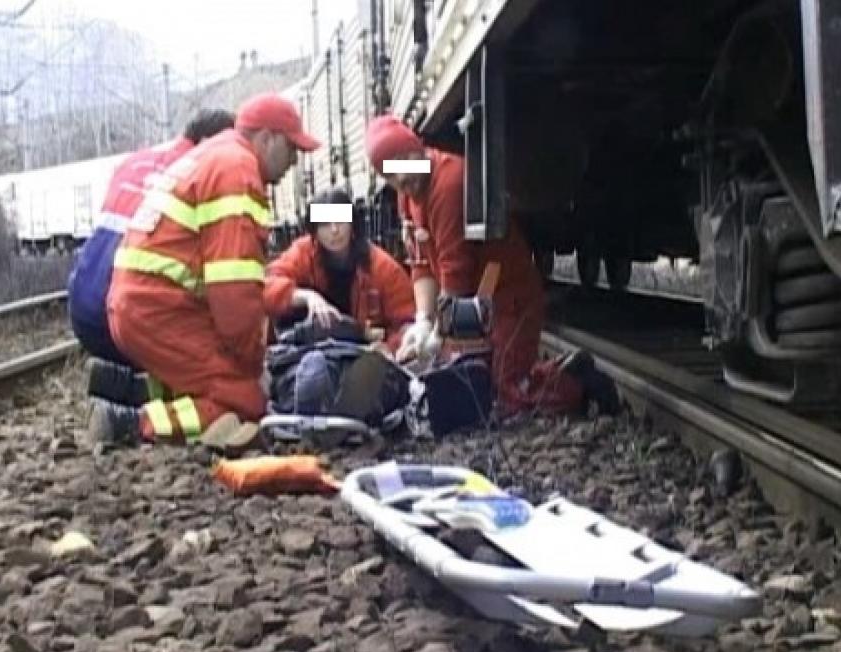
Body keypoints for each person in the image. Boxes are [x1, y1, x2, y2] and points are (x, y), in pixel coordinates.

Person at [88, 93, 320, 449]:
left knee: (206, 379)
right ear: (267, 138)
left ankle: (126, 388)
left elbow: (238, 279)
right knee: (244, 401)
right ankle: (132, 423)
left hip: (140, 301)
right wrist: (251, 366)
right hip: (160, 308)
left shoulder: (216, 154)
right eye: (292, 149)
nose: (293, 161)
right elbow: (235, 292)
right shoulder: (239, 174)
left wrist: (293, 296)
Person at [366, 114, 617, 416]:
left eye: (405, 159)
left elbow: (455, 273)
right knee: (474, 386)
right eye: (391, 172)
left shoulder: (448, 184)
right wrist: (422, 319)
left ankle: (581, 385)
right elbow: (421, 264)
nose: (402, 177)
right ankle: (561, 370)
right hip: (477, 303)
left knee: (507, 396)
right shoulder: (407, 194)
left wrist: (437, 336)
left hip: (509, 298)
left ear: (418, 145)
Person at [68, 109, 235, 405]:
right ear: (210, 141)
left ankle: (119, 376)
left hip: (82, 314)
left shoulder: (133, 161)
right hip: (125, 321)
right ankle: (142, 392)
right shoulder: (196, 172)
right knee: (218, 372)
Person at [263, 187, 416, 352]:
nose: (334, 230)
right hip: (310, 351)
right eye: (325, 224)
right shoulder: (303, 253)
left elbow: (407, 322)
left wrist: (389, 347)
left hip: (364, 358)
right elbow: (264, 287)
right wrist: (305, 297)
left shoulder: (382, 267)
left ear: (353, 224)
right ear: (314, 230)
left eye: (340, 221)